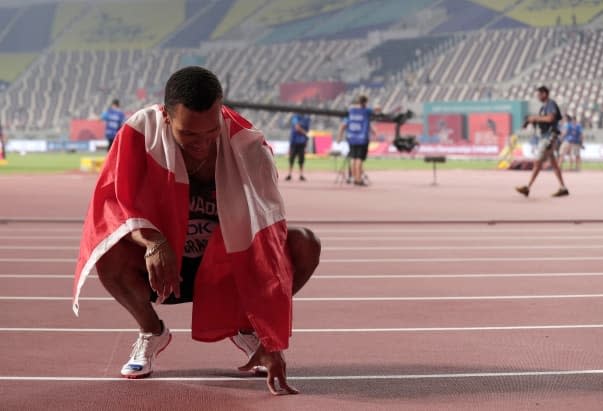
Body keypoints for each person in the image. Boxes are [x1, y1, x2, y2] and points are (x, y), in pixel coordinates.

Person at [73, 67, 321, 395]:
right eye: (189, 134)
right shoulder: (139, 132)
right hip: (163, 267)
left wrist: (270, 338)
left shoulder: (248, 145)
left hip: (223, 267)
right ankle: (152, 331)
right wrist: (154, 241)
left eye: (211, 132)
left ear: (221, 113)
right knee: (107, 253)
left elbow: (268, 239)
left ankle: (245, 326)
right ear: (165, 118)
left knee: (304, 244)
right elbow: (114, 206)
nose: (202, 144)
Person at [516, 86, 569, 197]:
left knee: (537, 162)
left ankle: (528, 187)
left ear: (545, 94)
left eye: (540, 94)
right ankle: (563, 187)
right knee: (554, 164)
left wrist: (535, 118)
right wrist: (530, 122)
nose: (538, 96)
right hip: (546, 136)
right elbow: (543, 121)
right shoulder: (543, 107)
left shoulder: (550, 104)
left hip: (549, 137)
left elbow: (550, 118)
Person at [337, 95, 379, 187]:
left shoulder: (351, 111)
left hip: (351, 137)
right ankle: (358, 179)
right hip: (362, 138)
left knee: (353, 158)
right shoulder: (366, 111)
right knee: (359, 159)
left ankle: (353, 177)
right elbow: (377, 109)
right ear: (365, 102)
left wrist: (339, 137)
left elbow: (343, 126)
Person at [286, 112, 310, 181]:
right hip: (294, 141)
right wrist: (304, 133)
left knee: (301, 159)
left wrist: (305, 141)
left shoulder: (307, 118)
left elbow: (304, 129)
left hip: (302, 142)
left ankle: (301, 174)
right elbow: (297, 127)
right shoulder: (296, 117)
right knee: (291, 159)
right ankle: (289, 174)